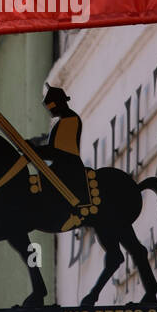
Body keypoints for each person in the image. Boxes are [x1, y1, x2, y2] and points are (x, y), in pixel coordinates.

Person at [29, 87, 90, 227]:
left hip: (68, 164)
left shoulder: (70, 120)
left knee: (47, 181)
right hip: (61, 161)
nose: (49, 109)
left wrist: (34, 150)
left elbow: (56, 151)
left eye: (50, 105)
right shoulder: (63, 121)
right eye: (47, 106)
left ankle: (68, 214)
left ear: (59, 102)